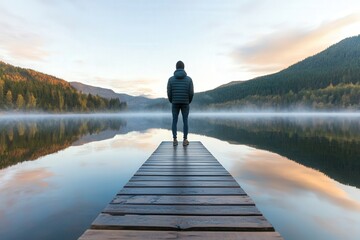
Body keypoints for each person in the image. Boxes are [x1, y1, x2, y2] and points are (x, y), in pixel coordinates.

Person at [167, 60, 194, 146]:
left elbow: (169, 92)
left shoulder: (171, 79)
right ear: (183, 67)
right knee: (185, 121)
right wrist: (188, 101)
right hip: (185, 102)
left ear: (176, 68)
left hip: (175, 102)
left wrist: (172, 100)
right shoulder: (189, 79)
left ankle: (175, 140)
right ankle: (185, 140)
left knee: (174, 121)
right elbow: (191, 92)